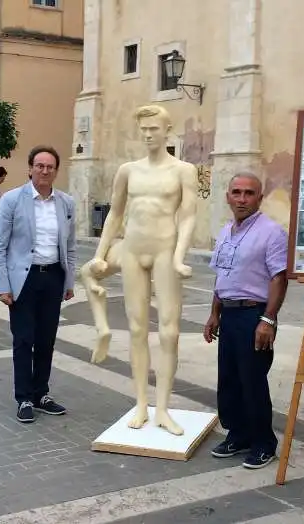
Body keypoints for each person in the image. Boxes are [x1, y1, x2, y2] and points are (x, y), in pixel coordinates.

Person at [80, 104, 198, 435]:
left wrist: (179, 256)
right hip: (132, 248)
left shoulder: (183, 170)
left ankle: (163, 408)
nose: (148, 134)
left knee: (169, 332)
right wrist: (101, 253)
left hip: (164, 248)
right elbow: (115, 215)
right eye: (143, 129)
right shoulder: (128, 170)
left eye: (154, 129)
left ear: (167, 130)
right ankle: (142, 404)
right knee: (136, 330)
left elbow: (188, 215)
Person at [203, 172, 288, 469]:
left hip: (254, 315)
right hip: (229, 313)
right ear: (228, 196)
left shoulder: (272, 232)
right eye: (236, 192)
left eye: (249, 193)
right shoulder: (226, 231)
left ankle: (264, 443)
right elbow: (221, 274)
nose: (241, 198)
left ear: (259, 198)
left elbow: (279, 278)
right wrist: (215, 313)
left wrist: (268, 320)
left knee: (252, 382)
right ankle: (237, 435)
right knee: (229, 381)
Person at [0, 146, 76, 423]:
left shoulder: (66, 203)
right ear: (30, 168)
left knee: (46, 339)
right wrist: (3, 286)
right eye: (39, 165)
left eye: (50, 166)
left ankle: (41, 394)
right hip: (23, 280)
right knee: (24, 339)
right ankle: (24, 397)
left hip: (52, 276)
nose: (44, 170)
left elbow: (70, 247)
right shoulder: (12, 200)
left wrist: (69, 281)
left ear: (56, 171)